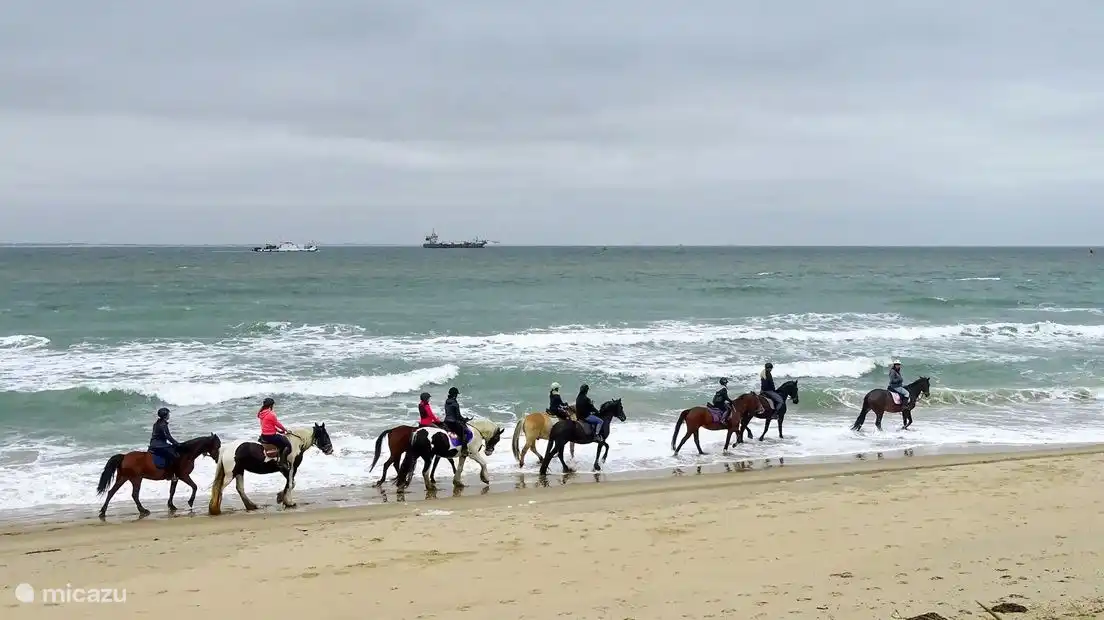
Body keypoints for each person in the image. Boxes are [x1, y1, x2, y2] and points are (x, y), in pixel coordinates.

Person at [257, 397, 291, 470]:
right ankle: (282, 462)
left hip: (264, 435)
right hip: (271, 436)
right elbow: (277, 423)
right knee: (287, 445)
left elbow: (267, 425)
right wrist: (285, 430)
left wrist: (278, 431)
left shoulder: (261, 413)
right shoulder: (271, 414)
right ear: (270, 405)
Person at [148, 407, 181, 471]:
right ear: (165, 416)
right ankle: (174, 474)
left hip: (153, 443)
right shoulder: (163, 424)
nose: (169, 415)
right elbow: (168, 436)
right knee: (176, 456)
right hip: (159, 445)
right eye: (168, 414)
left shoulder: (157, 423)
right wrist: (177, 444)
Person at [442, 387, 470, 454]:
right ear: (455, 395)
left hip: (446, 422)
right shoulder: (455, 404)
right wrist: (465, 419)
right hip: (453, 423)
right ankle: (464, 450)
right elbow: (458, 416)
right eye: (456, 394)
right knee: (464, 434)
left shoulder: (446, 402)